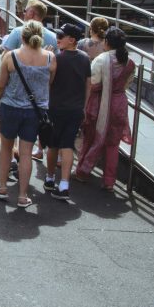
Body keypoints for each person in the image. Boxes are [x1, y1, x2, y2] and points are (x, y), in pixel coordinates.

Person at [0, 20, 56, 208]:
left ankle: (2, 187)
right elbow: (49, 83)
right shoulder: (50, 58)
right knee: (26, 152)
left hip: (10, 107)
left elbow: (1, 86)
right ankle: (23, 196)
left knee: (6, 148)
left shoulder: (11, 56)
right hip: (36, 111)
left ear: (22, 37)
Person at [75, 27, 134, 191]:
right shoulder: (129, 62)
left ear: (106, 42)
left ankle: (82, 171)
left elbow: (93, 84)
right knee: (112, 144)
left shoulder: (102, 59)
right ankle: (109, 181)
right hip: (120, 104)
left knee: (91, 138)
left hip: (99, 104)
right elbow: (128, 83)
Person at [45, 23, 90, 201]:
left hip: (56, 107)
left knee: (53, 145)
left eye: (61, 36)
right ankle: (64, 184)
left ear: (72, 40)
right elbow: (88, 84)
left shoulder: (56, 57)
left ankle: (49, 178)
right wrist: (85, 106)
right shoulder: (85, 58)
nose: (58, 39)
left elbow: (49, 81)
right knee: (67, 145)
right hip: (75, 108)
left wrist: (48, 59)